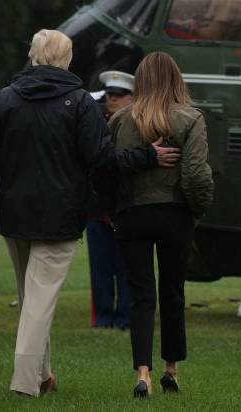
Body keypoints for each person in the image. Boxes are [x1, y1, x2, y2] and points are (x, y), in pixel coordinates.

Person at [0, 29, 181, 398]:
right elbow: (102, 160)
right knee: (39, 300)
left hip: (14, 215)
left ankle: (44, 376)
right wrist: (146, 156)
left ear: (33, 56)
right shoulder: (79, 102)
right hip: (61, 216)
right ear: (67, 59)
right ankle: (25, 384)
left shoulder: (4, 100)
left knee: (33, 300)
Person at [109, 52, 214, 398]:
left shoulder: (120, 120)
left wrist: (114, 210)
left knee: (140, 296)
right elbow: (197, 174)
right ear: (176, 79)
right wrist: (196, 210)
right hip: (174, 214)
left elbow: (106, 169)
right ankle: (171, 368)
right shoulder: (190, 118)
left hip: (132, 214)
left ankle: (143, 373)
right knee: (173, 292)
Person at [87, 70, 135, 330]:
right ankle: (103, 318)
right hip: (98, 210)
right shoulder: (96, 124)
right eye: (110, 95)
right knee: (100, 269)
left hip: (128, 207)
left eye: (120, 95)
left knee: (127, 267)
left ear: (132, 98)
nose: (113, 100)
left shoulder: (139, 126)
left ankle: (126, 319)